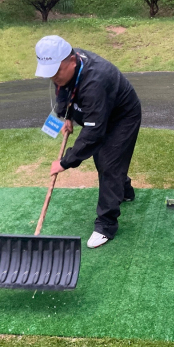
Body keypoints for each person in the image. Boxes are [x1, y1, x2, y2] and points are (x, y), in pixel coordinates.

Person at [35, 35, 142, 249]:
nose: (54, 77)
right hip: (99, 112)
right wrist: (66, 115)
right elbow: (63, 90)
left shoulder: (96, 80)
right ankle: (125, 190)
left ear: (72, 61)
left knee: (109, 164)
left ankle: (106, 225)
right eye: (50, 73)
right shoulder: (68, 70)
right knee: (104, 161)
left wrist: (65, 162)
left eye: (57, 72)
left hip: (122, 117)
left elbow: (94, 133)